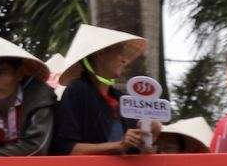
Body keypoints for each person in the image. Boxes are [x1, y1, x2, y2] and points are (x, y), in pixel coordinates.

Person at [51, 24, 153, 157]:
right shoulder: (77, 90)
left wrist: (149, 136)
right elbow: (67, 150)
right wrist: (119, 145)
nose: (124, 60)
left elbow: (140, 153)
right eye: (119, 53)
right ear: (100, 54)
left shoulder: (121, 98)